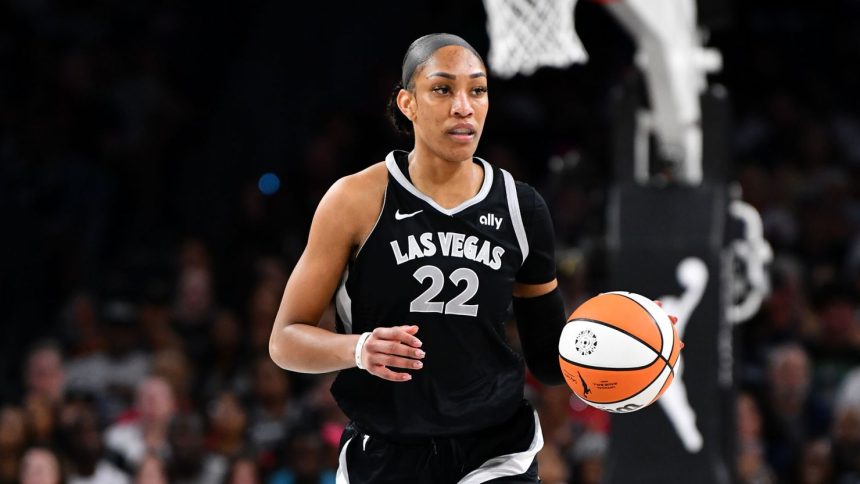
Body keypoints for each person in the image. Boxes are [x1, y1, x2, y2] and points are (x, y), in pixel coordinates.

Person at [268, 33, 568, 483]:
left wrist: (622, 342)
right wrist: (359, 348)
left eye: (478, 89)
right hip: (386, 451)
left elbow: (548, 358)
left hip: (496, 449)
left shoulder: (522, 208)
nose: (464, 106)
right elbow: (285, 341)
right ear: (408, 103)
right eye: (443, 89)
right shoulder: (354, 200)